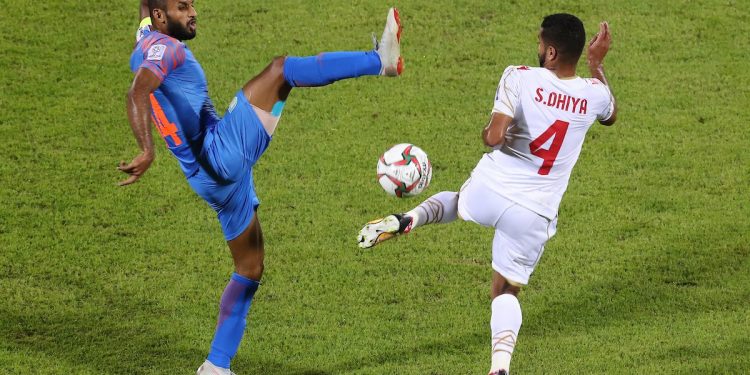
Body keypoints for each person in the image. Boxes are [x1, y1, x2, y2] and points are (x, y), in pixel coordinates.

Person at [119, 1, 403, 373]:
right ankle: (380, 60)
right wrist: (145, 148)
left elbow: (146, 14)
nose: (193, 11)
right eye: (182, 6)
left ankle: (216, 365)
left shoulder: (146, 37)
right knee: (281, 70)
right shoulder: (166, 49)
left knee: (249, 267)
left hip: (206, 180)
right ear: (161, 17)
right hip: (220, 152)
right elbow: (136, 93)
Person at [357, 14, 617, 375]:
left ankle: (408, 219)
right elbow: (611, 114)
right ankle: (499, 369)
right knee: (505, 292)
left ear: (552, 52)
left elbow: (494, 137)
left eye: (541, 44)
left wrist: (491, 133)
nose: (538, 48)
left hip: (492, 188)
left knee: (457, 201)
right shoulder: (594, 94)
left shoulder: (520, 76)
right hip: (534, 212)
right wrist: (597, 64)